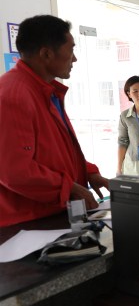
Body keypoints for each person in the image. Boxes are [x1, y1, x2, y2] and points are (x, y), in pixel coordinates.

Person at [0, 15, 109, 227]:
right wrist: (68, 187)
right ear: (46, 54)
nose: (74, 59)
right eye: (71, 50)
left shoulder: (45, 91)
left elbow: (54, 151)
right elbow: (14, 171)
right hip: (28, 224)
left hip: (51, 214)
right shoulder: (13, 95)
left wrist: (88, 172)